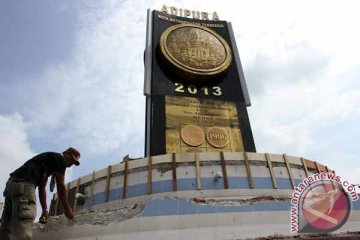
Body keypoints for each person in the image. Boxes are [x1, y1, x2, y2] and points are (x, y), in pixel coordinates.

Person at [0, 147, 81, 240]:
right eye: (71, 159)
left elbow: (42, 188)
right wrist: (67, 209)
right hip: (25, 185)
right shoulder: (60, 159)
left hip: (12, 185)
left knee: (7, 225)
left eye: (74, 162)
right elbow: (60, 185)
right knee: (24, 221)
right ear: (66, 154)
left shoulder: (45, 163)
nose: (71, 164)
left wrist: (45, 210)